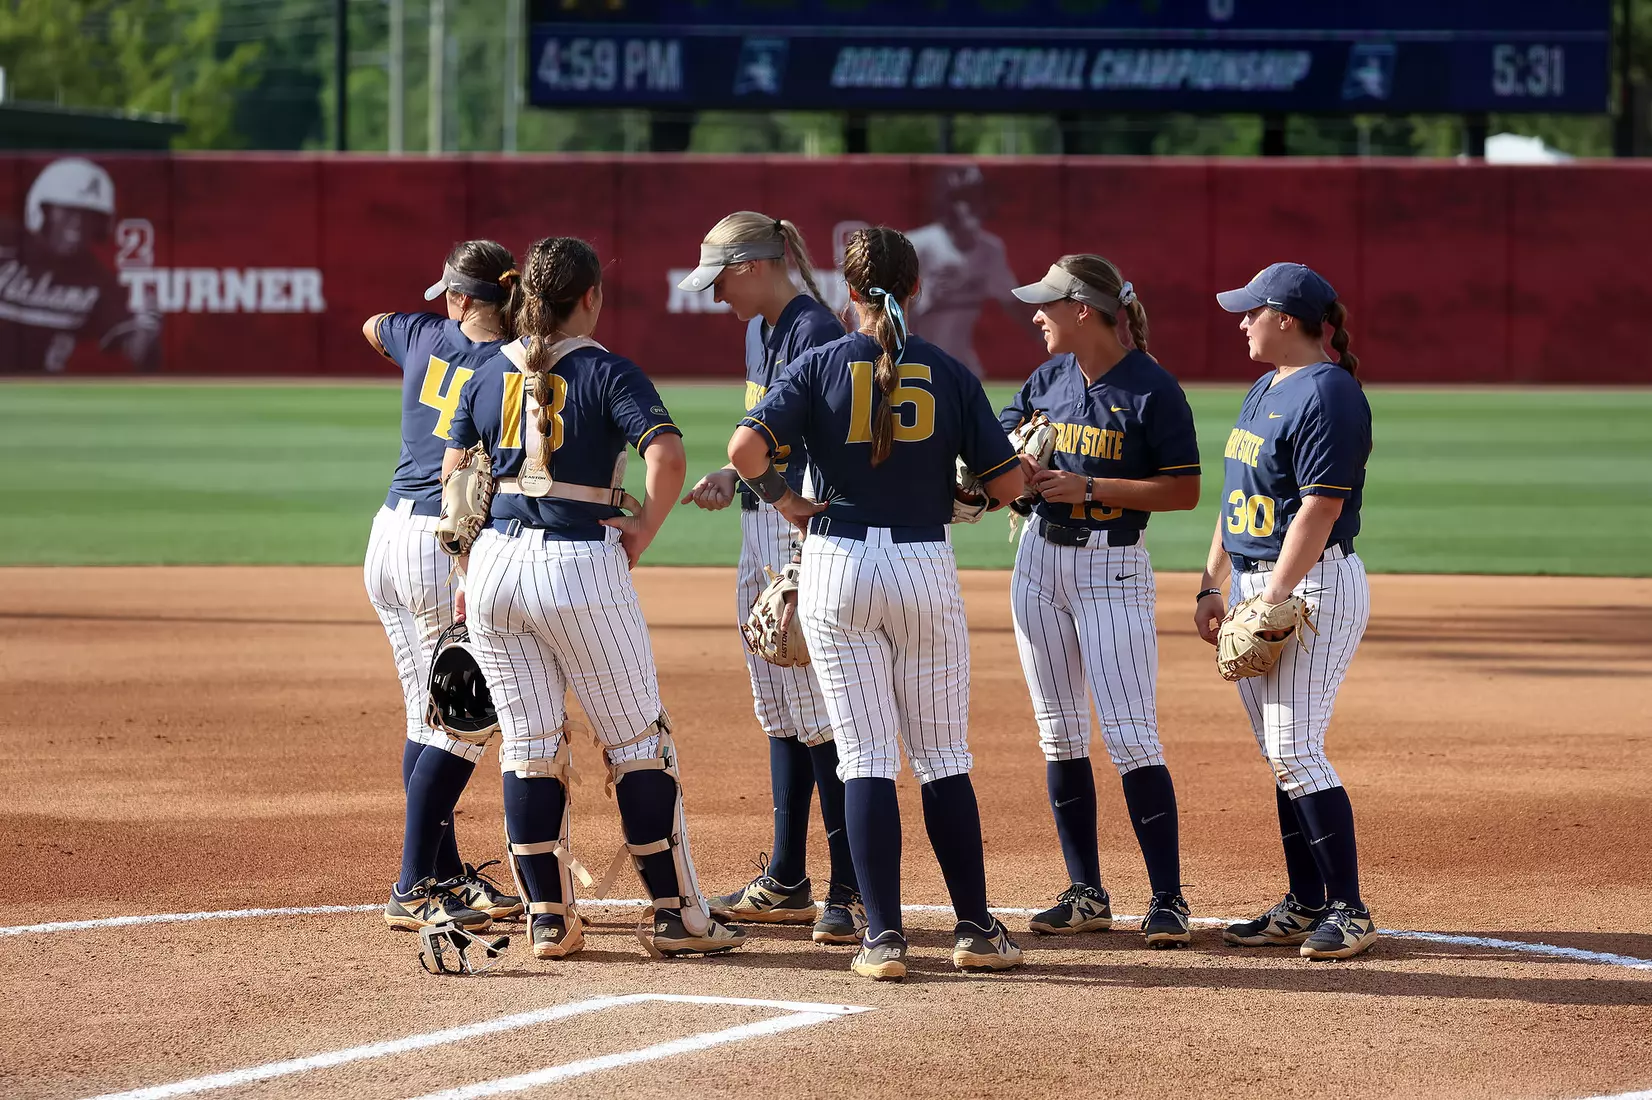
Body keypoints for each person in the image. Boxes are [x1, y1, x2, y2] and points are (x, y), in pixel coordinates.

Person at [727, 226, 1026, 981]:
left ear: (848, 293)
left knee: (863, 756)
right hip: (923, 564)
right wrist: (970, 498)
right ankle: (976, 930)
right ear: (914, 289)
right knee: (943, 758)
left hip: (838, 563)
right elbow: (1008, 486)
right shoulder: (950, 371)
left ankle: (883, 939)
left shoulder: (820, 361)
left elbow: (744, 452)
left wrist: (789, 505)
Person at [446, 235, 744, 960]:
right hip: (580, 567)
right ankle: (678, 916)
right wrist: (642, 528)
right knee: (639, 742)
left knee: (529, 746)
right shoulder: (610, 372)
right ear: (589, 298)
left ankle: (549, 919)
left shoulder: (485, 371)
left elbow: (455, 476)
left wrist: (465, 576)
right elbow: (666, 456)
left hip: (493, 570)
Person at [1000, 256, 1202, 948]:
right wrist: (1011, 464)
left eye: (1047, 305)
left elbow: (1183, 490)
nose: (1036, 316)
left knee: (1130, 734)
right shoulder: (1047, 379)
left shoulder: (1152, 390)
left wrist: (1091, 490)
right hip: (1037, 563)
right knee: (1058, 732)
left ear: (1083, 310)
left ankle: (1168, 898)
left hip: (1111, 568)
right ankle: (1086, 891)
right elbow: (998, 447)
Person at [676, 211, 863, 945]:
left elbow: (827, 449)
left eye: (721, 277)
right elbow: (770, 430)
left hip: (800, 530)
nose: (715, 293)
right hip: (763, 525)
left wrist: (798, 524)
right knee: (780, 709)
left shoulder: (817, 331)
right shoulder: (762, 328)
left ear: (755, 265)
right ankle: (788, 877)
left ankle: (848, 887)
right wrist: (733, 473)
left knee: (819, 715)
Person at [1195, 262, 1376, 961]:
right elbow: (1236, 498)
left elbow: (1320, 508)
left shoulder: (1330, 395)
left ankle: (1349, 911)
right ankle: (1305, 904)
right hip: (1253, 582)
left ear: (1288, 319)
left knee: (1296, 748)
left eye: (1251, 311)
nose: (1241, 322)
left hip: (1309, 586)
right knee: (1280, 753)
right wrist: (1213, 585)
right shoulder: (1264, 387)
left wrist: (1273, 600)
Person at [362, 240, 524, 933]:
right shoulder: (512, 364)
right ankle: (414, 882)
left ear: (459, 299)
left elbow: (372, 325)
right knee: (457, 725)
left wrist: (421, 353)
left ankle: (446, 875)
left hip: (388, 540)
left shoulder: (425, 334)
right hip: (443, 548)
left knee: (422, 719)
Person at [0, 157, 159, 373]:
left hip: (42, 394)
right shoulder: (7, 242)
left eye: (88, 216)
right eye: (68, 211)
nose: (77, 224)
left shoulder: (98, 280)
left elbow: (134, 352)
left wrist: (148, 324)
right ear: (42, 211)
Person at [904, 164, 1034, 378]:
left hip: (963, 363)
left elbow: (1013, 304)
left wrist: (1049, 340)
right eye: (965, 198)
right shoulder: (918, 245)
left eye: (979, 197)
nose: (975, 206)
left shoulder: (990, 249)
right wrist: (925, 296)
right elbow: (886, 310)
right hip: (919, 361)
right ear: (945, 204)